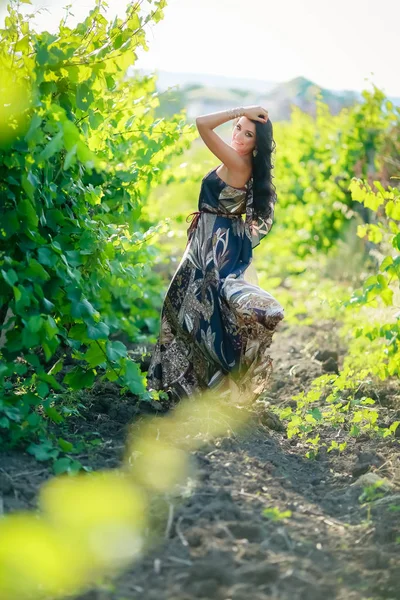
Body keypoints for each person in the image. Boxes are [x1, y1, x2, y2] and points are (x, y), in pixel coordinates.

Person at [146, 105, 285, 405]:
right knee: (196, 314)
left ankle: (191, 391)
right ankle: (190, 390)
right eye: (238, 128)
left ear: (256, 144)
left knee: (192, 313)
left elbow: (201, 124)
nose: (238, 136)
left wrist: (241, 110)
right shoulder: (243, 163)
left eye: (248, 135)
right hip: (210, 242)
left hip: (213, 249)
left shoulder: (237, 162)